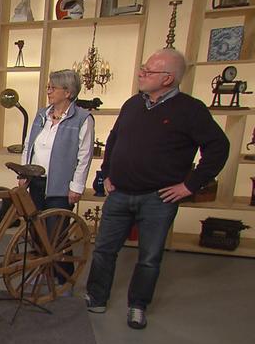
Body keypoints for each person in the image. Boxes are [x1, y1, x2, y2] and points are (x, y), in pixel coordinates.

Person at [84, 49, 229, 329]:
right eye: (143, 68)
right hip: (119, 193)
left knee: (149, 258)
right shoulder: (132, 104)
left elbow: (218, 148)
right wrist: (107, 173)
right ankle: (96, 297)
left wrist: (190, 185)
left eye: (148, 71)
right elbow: (113, 140)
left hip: (157, 199)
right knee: (103, 250)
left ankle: (137, 306)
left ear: (168, 78)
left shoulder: (191, 110)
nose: (141, 73)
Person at [19, 69, 94, 294]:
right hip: (36, 182)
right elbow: (28, 146)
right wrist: (23, 173)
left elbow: (84, 156)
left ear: (68, 92)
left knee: (56, 235)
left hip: (60, 186)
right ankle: (45, 271)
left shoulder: (82, 119)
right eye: (48, 87)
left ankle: (64, 279)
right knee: (37, 231)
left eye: (53, 87)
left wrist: (76, 186)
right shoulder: (42, 114)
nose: (49, 91)